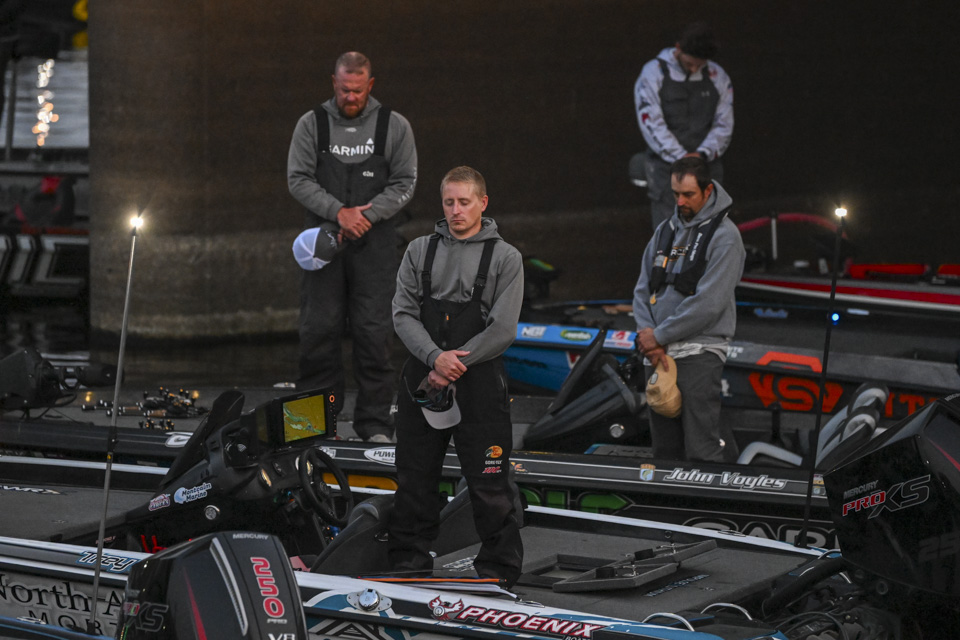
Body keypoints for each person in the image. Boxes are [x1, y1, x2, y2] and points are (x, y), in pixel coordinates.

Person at [389, 166, 524, 586]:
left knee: (489, 483)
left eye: (464, 202)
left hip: (480, 383)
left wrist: (451, 365)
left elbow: (503, 330)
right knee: (414, 478)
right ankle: (408, 565)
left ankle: (498, 571)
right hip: (422, 376)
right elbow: (403, 314)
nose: (455, 211)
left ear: (483, 203)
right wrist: (434, 358)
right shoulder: (419, 250)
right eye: (449, 202)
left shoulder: (506, 258)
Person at [287, 52, 417, 442]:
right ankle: (311, 427)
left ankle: (375, 425)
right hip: (322, 245)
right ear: (334, 82)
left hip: (375, 247)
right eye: (344, 89)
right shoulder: (311, 124)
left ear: (370, 85)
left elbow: (405, 182)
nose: (351, 97)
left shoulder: (394, 125)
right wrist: (339, 213)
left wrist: (368, 215)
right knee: (318, 332)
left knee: (374, 335)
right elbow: (298, 179)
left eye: (358, 90)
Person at [632, 156, 745, 462]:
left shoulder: (726, 237)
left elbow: (709, 304)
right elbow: (642, 289)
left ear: (708, 191)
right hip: (658, 355)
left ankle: (712, 493)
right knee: (665, 450)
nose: (680, 201)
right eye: (675, 194)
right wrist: (648, 336)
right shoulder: (664, 231)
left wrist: (659, 336)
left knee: (701, 448)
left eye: (688, 194)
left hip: (699, 353)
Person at [634, 22, 733, 230]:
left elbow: (724, 123)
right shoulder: (653, 73)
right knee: (670, 235)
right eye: (689, 63)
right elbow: (650, 122)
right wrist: (682, 158)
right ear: (678, 48)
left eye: (700, 65)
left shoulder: (718, 76)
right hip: (667, 172)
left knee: (711, 234)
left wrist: (702, 154)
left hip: (707, 168)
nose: (695, 69)